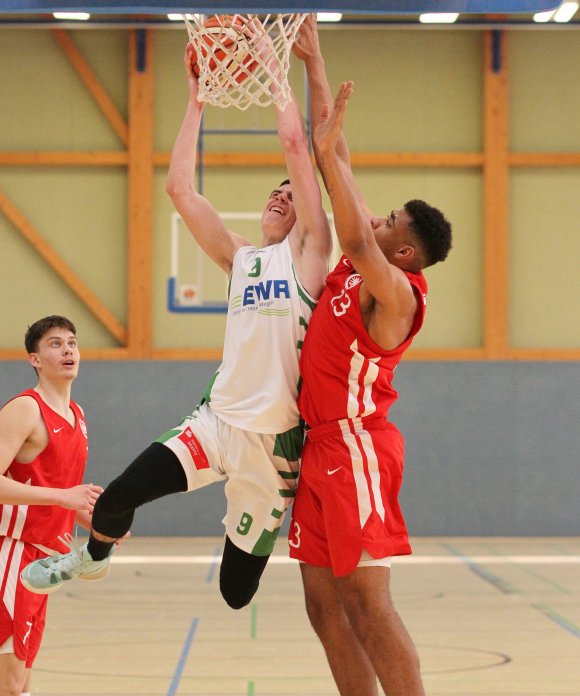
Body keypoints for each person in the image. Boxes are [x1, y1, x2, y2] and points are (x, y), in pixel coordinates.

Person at [20, 42, 332, 610]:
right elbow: (180, 191)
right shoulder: (242, 259)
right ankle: (90, 559)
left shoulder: (311, 257)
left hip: (272, 447)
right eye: (275, 191)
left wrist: (276, 69)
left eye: (291, 192)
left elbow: (294, 145)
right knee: (115, 500)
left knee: (236, 594)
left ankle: (246, 517)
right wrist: (196, 100)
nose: (280, 195)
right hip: (215, 424)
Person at [287, 16, 453, 696]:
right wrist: (315, 60)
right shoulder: (364, 268)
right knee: (323, 605)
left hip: (357, 448)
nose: (376, 220)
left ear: (406, 251)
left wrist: (328, 160)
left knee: (367, 602)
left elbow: (353, 230)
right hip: (317, 447)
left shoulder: (399, 293)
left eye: (390, 222)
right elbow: (340, 157)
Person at [0, 316, 103, 696]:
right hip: (12, 553)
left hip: (47, 562)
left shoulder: (77, 416)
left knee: (22, 682)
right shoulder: (25, 410)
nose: (67, 350)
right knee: (10, 684)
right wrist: (63, 497)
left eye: (72, 343)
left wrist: (94, 521)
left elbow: (49, 486)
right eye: (55, 344)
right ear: (35, 359)